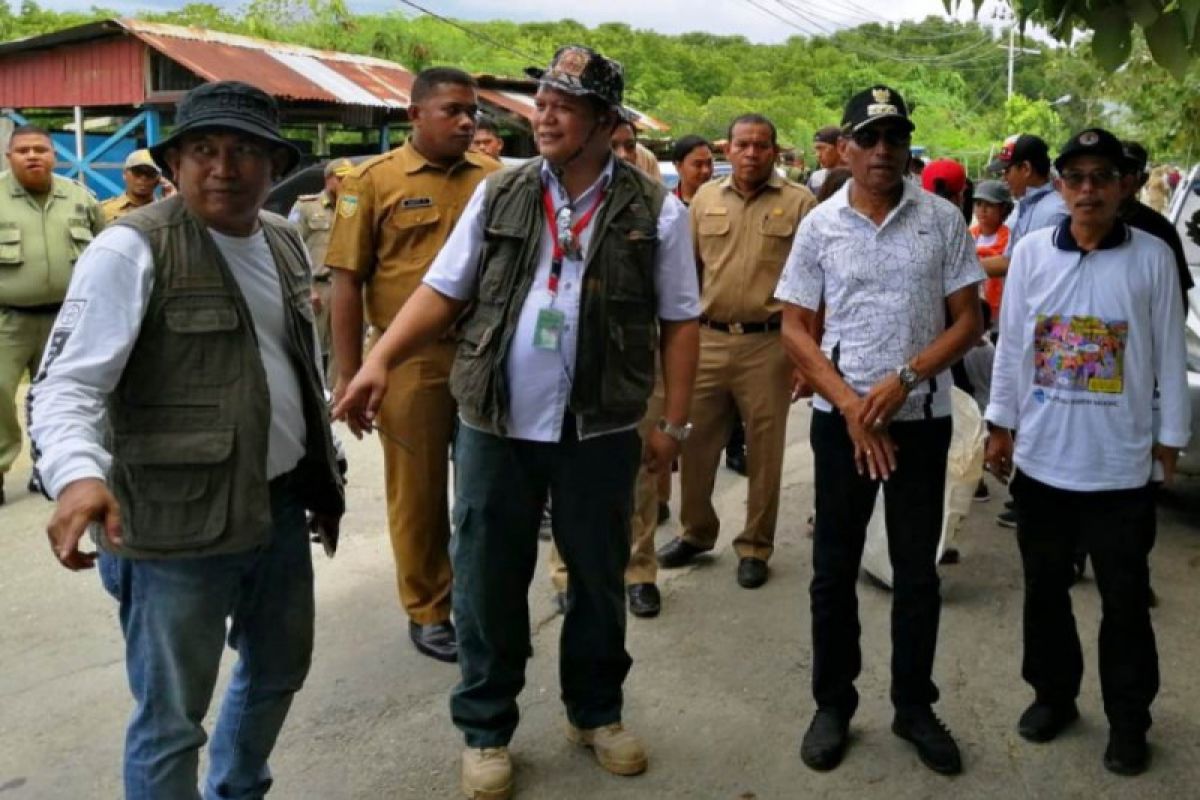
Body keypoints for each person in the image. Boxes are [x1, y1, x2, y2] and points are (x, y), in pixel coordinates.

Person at [333, 44, 699, 799]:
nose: (547, 114)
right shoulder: (500, 194)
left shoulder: (656, 210)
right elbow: (441, 288)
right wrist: (378, 360)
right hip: (495, 423)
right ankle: (486, 727)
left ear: (604, 121)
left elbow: (681, 321)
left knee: (597, 580)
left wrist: (676, 426)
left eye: (566, 104)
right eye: (544, 102)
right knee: (488, 582)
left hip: (598, 429)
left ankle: (595, 713)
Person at [29, 80, 345, 800]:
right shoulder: (130, 248)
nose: (223, 168)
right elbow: (66, 385)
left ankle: (236, 790)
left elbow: (295, 369)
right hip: (172, 528)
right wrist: (78, 475)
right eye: (203, 150)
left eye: (244, 152)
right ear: (176, 163)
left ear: (274, 165)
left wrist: (321, 482)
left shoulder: (285, 241)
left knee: (277, 670)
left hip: (277, 511)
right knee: (171, 718)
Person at [776, 85, 984, 776]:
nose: (884, 151)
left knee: (917, 574)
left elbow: (968, 320)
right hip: (843, 429)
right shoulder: (820, 224)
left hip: (920, 423)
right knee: (833, 571)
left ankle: (913, 705)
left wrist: (904, 378)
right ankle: (832, 705)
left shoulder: (942, 220)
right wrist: (853, 405)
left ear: (906, 147)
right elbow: (794, 327)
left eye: (896, 138)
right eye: (870, 138)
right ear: (848, 147)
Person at [984, 127, 1190, 777]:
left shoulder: (1153, 256)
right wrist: (1000, 424)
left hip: (1120, 466)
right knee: (1045, 592)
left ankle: (1130, 719)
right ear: (1061, 186)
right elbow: (1014, 343)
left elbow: (1165, 352)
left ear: (1124, 185)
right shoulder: (1035, 254)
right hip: (1044, 462)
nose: (1088, 189)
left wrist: (1170, 440)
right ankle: (1054, 697)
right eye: (1075, 178)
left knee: (1124, 601)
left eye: (1102, 177)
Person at [324, 67, 499, 663]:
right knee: (418, 494)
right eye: (452, 109)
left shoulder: (496, 180)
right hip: (409, 362)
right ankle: (428, 608)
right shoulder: (370, 182)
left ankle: (478, 594)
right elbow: (345, 285)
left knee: (485, 487)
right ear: (414, 116)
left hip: (483, 354)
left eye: (471, 110)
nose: (467, 120)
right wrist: (350, 373)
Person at [655, 113, 816, 589]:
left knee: (765, 452)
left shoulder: (800, 203)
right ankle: (697, 532)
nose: (751, 154)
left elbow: (812, 286)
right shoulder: (702, 200)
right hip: (706, 340)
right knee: (696, 445)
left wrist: (806, 357)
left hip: (769, 345)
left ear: (775, 151)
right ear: (728, 149)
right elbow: (684, 275)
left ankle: (755, 546)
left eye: (761, 146)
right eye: (743, 145)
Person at [0, 124, 104, 505]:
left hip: (67, 318)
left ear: (53, 155)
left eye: (40, 150)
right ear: (9, 156)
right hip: (6, 319)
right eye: (23, 150)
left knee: (62, 392)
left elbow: (102, 250)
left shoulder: (79, 198)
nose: (32, 156)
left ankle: (51, 464)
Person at [982, 133, 1069, 529]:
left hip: (1046, 329)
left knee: (1039, 408)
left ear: (1027, 169)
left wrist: (966, 266)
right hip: (1019, 320)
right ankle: (1025, 494)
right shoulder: (1027, 207)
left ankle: (1040, 498)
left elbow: (1017, 265)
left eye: (1009, 172)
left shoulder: (1052, 211)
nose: (1006, 180)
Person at [288, 157, 354, 381]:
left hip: (347, 286)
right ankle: (310, 389)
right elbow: (292, 249)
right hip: (318, 286)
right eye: (341, 178)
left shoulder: (354, 206)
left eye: (350, 177)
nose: (347, 182)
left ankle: (335, 396)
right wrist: (307, 288)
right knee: (311, 344)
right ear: (328, 180)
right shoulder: (307, 206)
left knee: (344, 346)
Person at [1119, 141, 1193, 310]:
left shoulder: (1160, 229)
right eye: (1112, 170)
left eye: (1127, 170)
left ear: (1142, 179)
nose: (1119, 177)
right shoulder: (1083, 222)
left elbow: (1178, 298)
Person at [971, 179, 1013, 326]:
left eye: (989, 205)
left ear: (1003, 209)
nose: (982, 210)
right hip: (975, 310)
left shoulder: (1011, 240)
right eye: (978, 204)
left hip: (1002, 311)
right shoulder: (968, 237)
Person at [99, 148, 174, 223]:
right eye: (137, 172)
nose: (143, 178)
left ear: (159, 178)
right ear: (125, 174)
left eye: (150, 173)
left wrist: (172, 203)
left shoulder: (167, 210)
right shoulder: (104, 210)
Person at [670, 135, 714, 206]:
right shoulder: (666, 204)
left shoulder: (722, 200)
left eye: (709, 163)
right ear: (679, 166)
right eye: (698, 165)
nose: (705, 170)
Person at [807, 125, 843, 195]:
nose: (818, 155)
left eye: (822, 148)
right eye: (816, 149)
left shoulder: (857, 178)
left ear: (840, 147)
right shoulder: (816, 178)